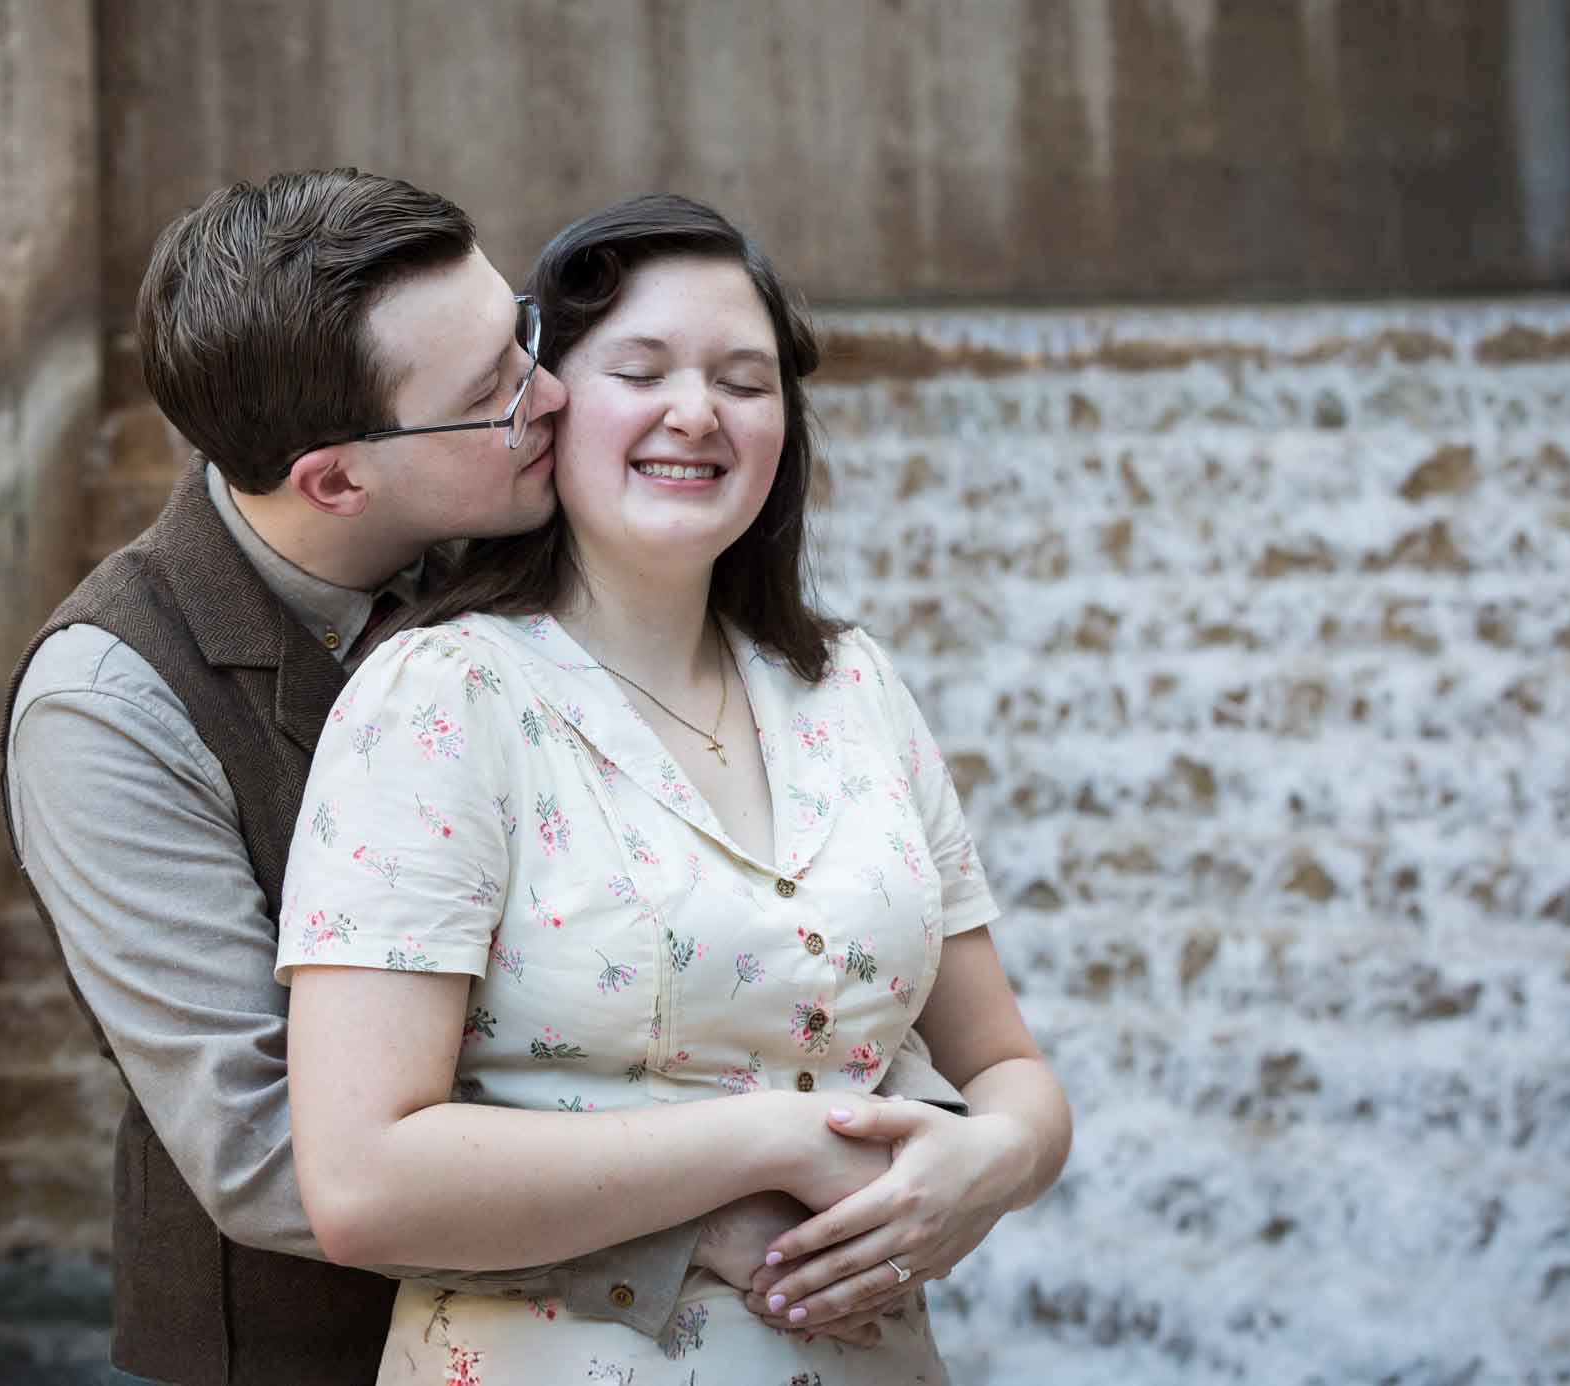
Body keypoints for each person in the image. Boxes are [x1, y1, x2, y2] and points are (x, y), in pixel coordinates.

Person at [0, 171, 967, 1386]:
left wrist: (940, 1139)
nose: (551, 391)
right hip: (300, 1352)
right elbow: (266, 1148)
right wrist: (719, 1207)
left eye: (516, 331)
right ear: (337, 481)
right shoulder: (109, 704)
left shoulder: (501, 523)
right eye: (494, 392)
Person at [276, 195, 1072, 1384]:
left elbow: (1009, 1069)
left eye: (743, 382)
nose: (694, 413)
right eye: (639, 371)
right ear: (545, 406)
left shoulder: (849, 685)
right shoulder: (439, 700)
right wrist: (771, 1139)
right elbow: (360, 1185)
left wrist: (989, 1164)